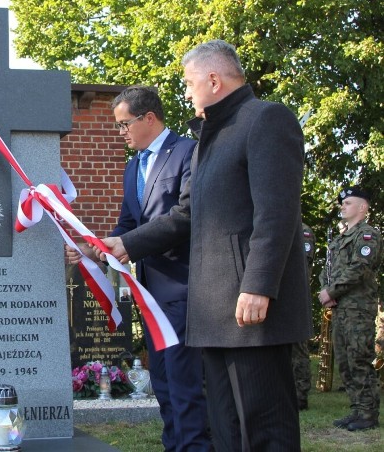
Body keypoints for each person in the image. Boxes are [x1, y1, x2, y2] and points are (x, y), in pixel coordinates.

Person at [101, 40, 312, 451]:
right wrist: (122, 243)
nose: (185, 92)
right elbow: (187, 216)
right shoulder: (209, 141)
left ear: (213, 80)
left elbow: (276, 213)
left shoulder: (265, 119)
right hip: (212, 311)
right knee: (225, 428)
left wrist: (259, 285)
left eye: (189, 82)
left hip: (250, 310)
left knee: (264, 428)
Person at [66, 85, 210, 451]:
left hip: (182, 288)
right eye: (117, 126)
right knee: (161, 383)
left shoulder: (188, 153)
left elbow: (185, 217)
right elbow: (127, 225)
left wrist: (127, 245)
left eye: (125, 124)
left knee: (184, 384)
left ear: (149, 118)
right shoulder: (134, 166)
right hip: (150, 292)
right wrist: (91, 250)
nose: (121, 132)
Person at [318, 186, 381, 431]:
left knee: (359, 358)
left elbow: (360, 267)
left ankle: (368, 413)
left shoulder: (368, 235)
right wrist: (326, 291)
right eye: (342, 203)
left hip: (358, 308)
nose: (342, 206)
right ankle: (356, 409)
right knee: (344, 360)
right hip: (340, 308)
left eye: (348, 203)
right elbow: (327, 269)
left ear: (362, 208)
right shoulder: (340, 239)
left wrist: (331, 291)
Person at [292, 223, 316, 410]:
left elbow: (302, 264)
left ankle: (300, 395)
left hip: (296, 297)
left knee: (299, 350)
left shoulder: (303, 230)